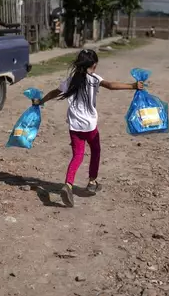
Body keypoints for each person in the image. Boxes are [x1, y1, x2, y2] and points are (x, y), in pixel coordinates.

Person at [34, 49, 143, 207]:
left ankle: (68, 185)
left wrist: (40, 101)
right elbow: (111, 85)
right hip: (90, 127)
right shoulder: (94, 79)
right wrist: (132, 86)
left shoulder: (71, 80)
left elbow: (53, 93)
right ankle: (92, 181)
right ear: (94, 65)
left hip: (74, 126)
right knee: (96, 151)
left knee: (77, 156)